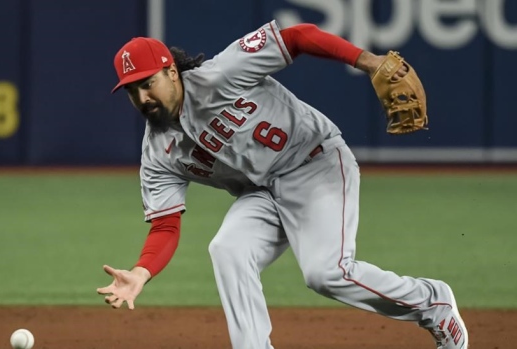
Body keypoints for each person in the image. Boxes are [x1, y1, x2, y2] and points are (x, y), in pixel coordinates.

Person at [97, 19, 469, 349]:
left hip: (316, 162)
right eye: (132, 91)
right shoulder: (158, 151)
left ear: (172, 72)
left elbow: (296, 37)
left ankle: (432, 303)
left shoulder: (221, 75)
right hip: (263, 192)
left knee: (326, 273)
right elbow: (166, 224)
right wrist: (142, 271)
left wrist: (369, 62)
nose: (142, 97)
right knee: (228, 249)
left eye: (147, 84)